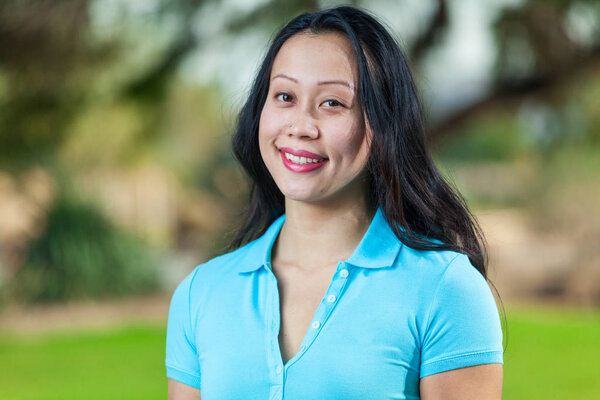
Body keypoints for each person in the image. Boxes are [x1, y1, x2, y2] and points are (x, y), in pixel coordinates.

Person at [166, 5, 503, 400]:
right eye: (285, 96)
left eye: (332, 103)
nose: (300, 127)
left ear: (382, 122)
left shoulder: (445, 289)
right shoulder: (202, 293)